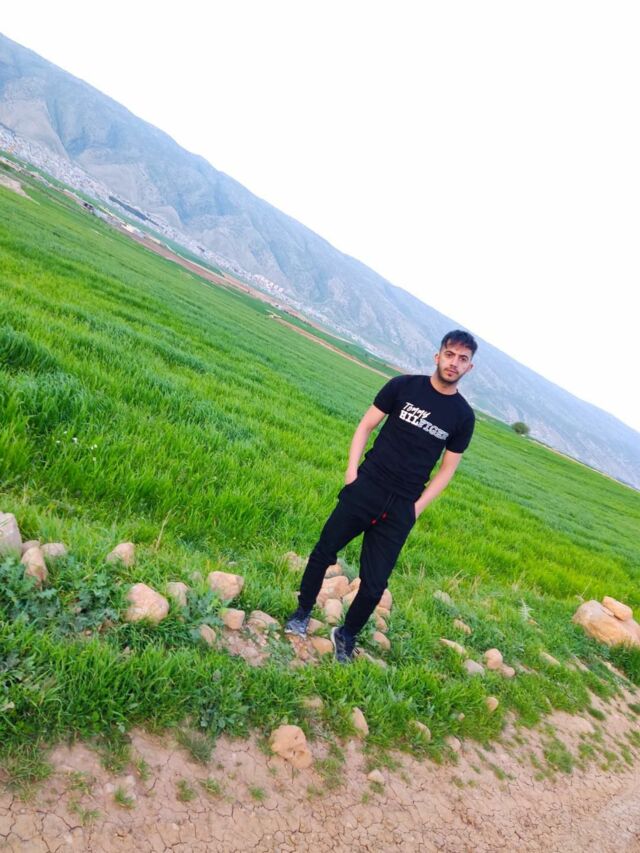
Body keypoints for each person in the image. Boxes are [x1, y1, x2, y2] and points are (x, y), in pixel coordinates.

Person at [285, 329, 478, 662]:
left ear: (469, 368)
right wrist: (352, 474)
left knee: (375, 585)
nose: (454, 363)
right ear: (438, 356)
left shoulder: (463, 416)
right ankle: (302, 612)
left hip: (402, 506)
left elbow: (447, 470)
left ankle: (346, 634)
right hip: (367, 486)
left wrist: (417, 508)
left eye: (463, 359)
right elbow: (365, 426)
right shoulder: (403, 386)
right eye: (450, 354)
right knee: (324, 551)